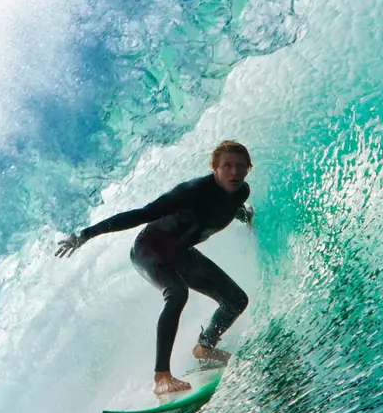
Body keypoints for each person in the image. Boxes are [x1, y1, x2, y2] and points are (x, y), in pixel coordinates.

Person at [56, 140, 254, 396]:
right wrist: (85, 235)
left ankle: (205, 348)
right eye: (227, 166)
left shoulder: (240, 192)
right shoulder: (190, 192)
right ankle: (162, 376)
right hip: (150, 249)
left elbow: (226, 207)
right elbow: (141, 214)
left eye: (241, 166)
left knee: (236, 300)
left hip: (181, 253)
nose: (234, 172)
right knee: (177, 293)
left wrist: (245, 218)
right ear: (214, 167)